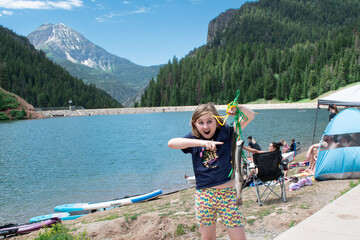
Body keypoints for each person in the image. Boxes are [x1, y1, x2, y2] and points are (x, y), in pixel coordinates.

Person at [168, 102, 255, 240]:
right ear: (195, 123)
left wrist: (238, 108)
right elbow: (171, 143)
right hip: (204, 196)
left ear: (217, 120)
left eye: (210, 121)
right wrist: (201, 143)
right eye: (200, 122)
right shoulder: (193, 139)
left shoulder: (226, 132)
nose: (206, 126)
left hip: (229, 195)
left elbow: (250, 116)